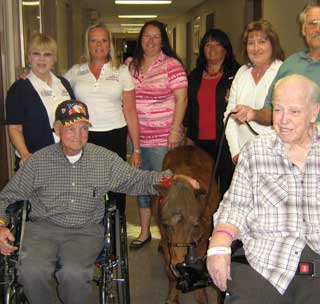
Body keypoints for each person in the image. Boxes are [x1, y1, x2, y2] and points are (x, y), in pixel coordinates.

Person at [0, 99, 198, 304]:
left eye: (83, 128)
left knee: (74, 275)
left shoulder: (103, 159)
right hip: (43, 229)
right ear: (58, 129)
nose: (78, 135)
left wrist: (173, 179)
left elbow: (138, 180)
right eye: (70, 129)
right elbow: (6, 196)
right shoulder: (38, 161)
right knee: (31, 272)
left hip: (84, 231)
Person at [207, 74, 320, 304]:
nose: (283, 120)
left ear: (313, 113)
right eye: (278, 110)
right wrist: (218, 245)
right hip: (264, 263)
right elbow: (235, 208)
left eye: (294, 111)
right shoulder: (255, 152)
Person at [232, 0, 320, 137]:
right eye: (312, 23)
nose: (318, 29)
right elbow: (271, 111)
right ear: (304, 29)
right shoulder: (290, 64)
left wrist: (319, 128)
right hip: (288, 157)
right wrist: (254, 114)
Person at [64, 23, 141, 211]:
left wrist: (137, 150)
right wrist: (31, 74)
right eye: (94, 41)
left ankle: (117, 230)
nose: (99, 45)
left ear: (110, 45)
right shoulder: (76, 71)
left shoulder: (121, 71)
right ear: (88, 45)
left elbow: (130, 111)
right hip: (84, 137)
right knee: (87, 187)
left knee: (116, 186)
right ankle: (90, 231)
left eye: (104, 40)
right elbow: (54, 87)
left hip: (114, 134)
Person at [125, 20, 188, 250]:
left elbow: (182, 99)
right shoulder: (129, 65)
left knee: (165, 188)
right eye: (146, 36)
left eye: (156, 37)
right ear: (140, 39)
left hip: (164, 139)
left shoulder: (171, 65)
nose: (150, 41)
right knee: (141, 185)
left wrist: (174, 131)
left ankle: (166, 233)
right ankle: (144, 232)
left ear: (163, 41)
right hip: (137, 140)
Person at [184, 28, 240, 197]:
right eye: (208, 44)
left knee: (227, 191)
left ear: (226, 49)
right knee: (204, 192)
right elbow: (190, 109)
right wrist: (188, 139)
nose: (213, 48)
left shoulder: (237, 74)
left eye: (218, 44)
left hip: (225, 143)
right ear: (202, 49)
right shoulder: (194, 76)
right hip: (200, 144)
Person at [6, 33, 74, 169]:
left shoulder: (64, 84)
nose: (42, 59)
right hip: (35, 160)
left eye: (47, 54)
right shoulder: (19, 88)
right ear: (29, 57)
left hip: (67, 156)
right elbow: (14, 128)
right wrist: (25, 154)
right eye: (36, 53)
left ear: (54, 58)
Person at [224, 20, 284, 165]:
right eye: (251, 43)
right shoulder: (242, 72)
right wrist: (235, 152)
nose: (256, 48)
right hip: (243, 157)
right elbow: (229, 116)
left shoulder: (283, 72)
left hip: (275, 157)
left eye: (262, 41)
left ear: (272, 44)